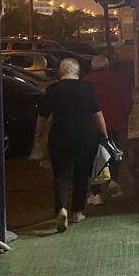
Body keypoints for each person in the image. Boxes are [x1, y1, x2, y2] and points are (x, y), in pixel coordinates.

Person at [35, 58, 107, 233]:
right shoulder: (87, 87)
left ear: (61, 72)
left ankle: (62, 209)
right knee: (81, 174)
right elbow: (97, 114)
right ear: (77, 72)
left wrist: (38, 135)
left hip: (59, 136)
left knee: (61, 174)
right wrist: (104, 134)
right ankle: (77, 212)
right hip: (84, 136)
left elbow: (43, 116)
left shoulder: (53, 89)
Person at [84, 54, 134, 204]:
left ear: (93, 66)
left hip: (92, 126)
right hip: (113, 124)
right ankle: (113, 181)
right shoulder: (117, 79)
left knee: (96, 158)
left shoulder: (87, 82)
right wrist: (121, 116)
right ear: (107, 65)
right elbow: (127, 101)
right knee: (112, 153)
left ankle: (96, 192)